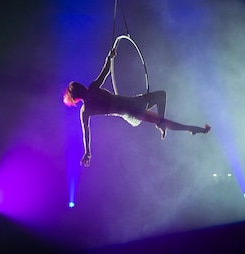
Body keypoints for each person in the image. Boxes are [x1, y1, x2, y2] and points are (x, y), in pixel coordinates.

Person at [63, 47, 211, 167]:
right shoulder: (92, 91)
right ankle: (179, 126)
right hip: (131, 107)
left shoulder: (85, 110)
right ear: (81, 89)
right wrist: (110, 57)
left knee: (162, 106)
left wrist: (88, 152)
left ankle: (178, 126)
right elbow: (105, 72)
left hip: (131, 110)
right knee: (162, 101)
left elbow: (86, 133)